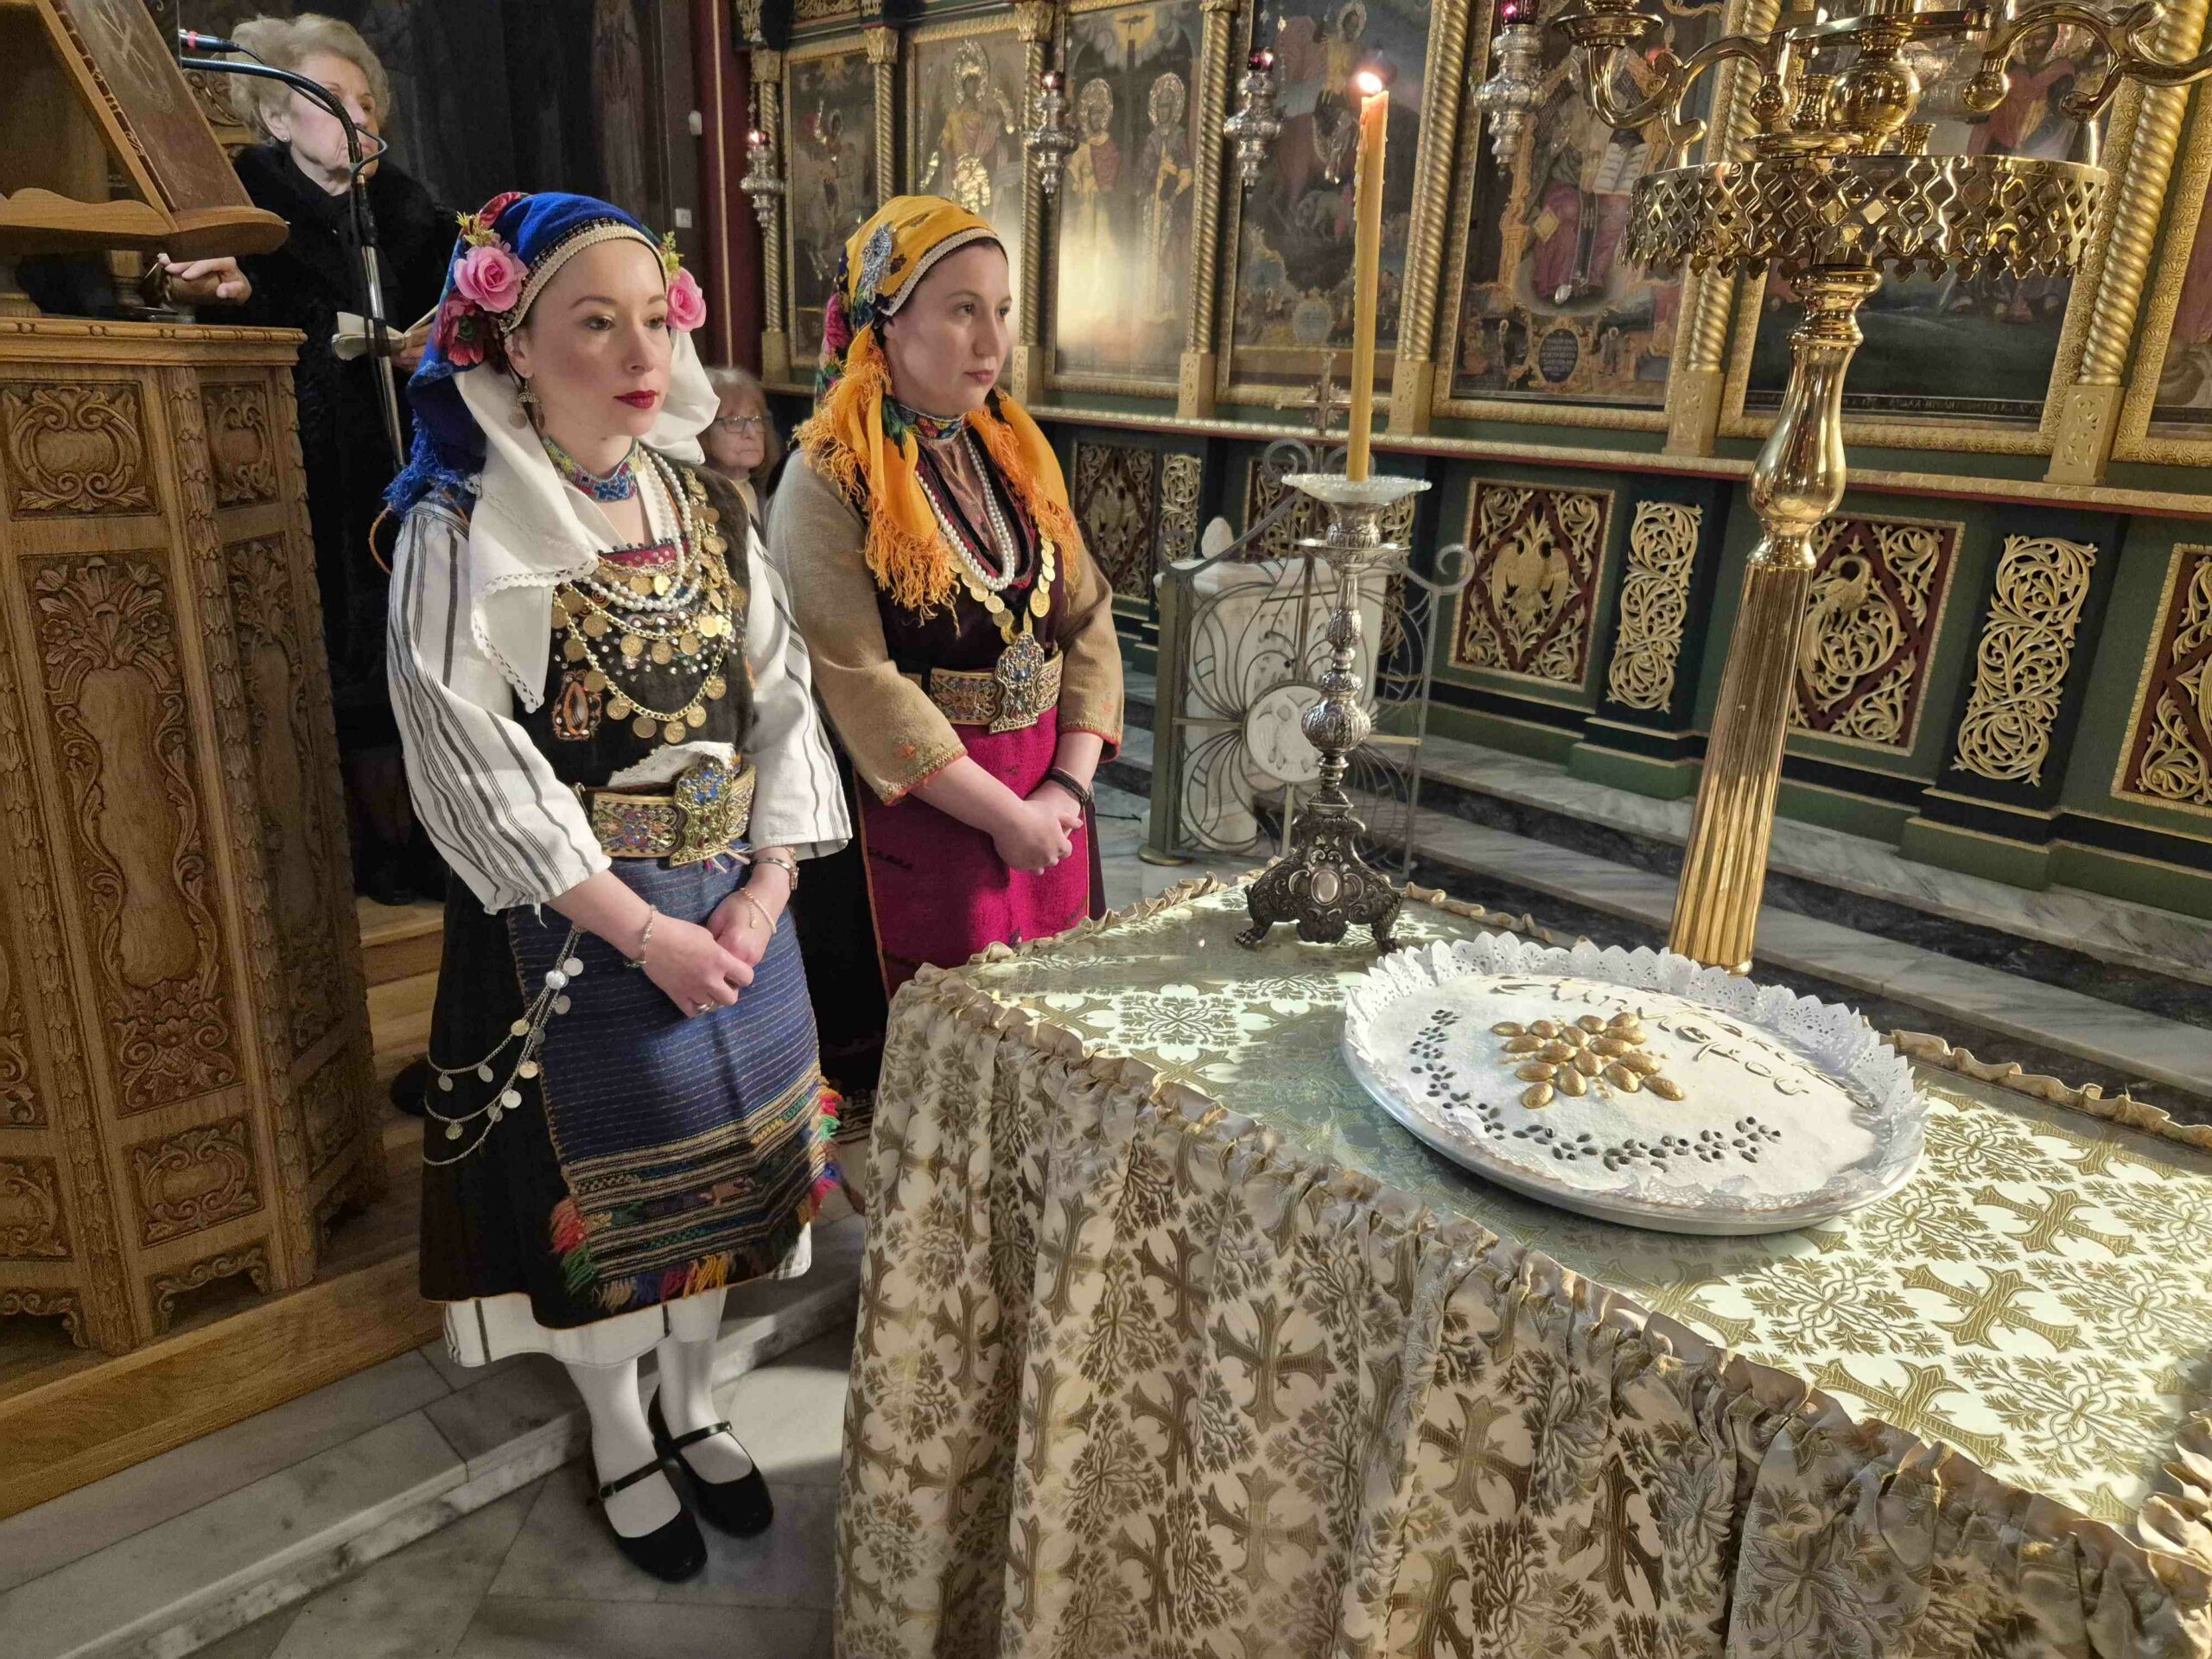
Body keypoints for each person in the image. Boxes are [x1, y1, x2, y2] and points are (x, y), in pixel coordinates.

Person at [383, 190, 850, 1582]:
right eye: (595, 323)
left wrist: (765, 892)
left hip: (739, 917)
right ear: (513, 344)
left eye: (655, 317)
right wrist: (647, 932)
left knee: (734, 1182)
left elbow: (783, 699)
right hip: (579, 932)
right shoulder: (462, 526)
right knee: (609, 1203)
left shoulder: (708, 502)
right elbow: (467, 755)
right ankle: (620, 1428)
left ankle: (696, 1405)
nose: (642, 353)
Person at [769, 195, 1122, 1180]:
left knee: (1054, 1061)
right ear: (887, 321)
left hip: (1052, 813)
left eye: (1001, 311)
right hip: (926, 828)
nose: (991, 341)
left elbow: (1088, 620)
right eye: (962, 310)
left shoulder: (1013, 452)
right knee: (943, 1091)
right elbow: (855, 679)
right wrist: (1005, 816)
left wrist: (1066, 791)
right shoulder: (827, 479)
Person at [227, 14, 455, 906]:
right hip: (301, 473)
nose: (359, 119)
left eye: (366, 102)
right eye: (330, 101)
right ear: (276, 117)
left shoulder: (412, 215)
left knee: (427, 645)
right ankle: (376, 849)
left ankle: (444, 836)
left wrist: (435, 343)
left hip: (411, 463)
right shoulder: (242, 210)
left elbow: (460, 317)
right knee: (346, 664)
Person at [699, 365, 784, 524]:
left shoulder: (775, 496)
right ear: (702, 431)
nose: (751, 433)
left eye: (756, 419)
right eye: (734, 421)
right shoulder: (695, 504)